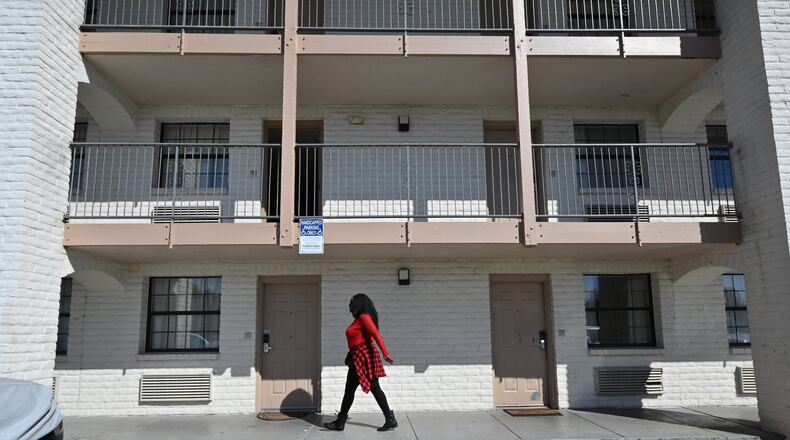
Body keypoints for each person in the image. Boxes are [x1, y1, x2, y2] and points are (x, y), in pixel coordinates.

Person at [323, 293, 397, 432]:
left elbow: (376, 334)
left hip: (364, 358)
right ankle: (342, 421)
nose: (350, 306)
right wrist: (351, 354)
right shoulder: (359, 319)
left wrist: (386, 353)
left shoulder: (364, 317)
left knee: (368, 388)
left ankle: (342, 421)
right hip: (357, 357)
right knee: (353, 390)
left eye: (352, 303)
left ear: (359, 304)